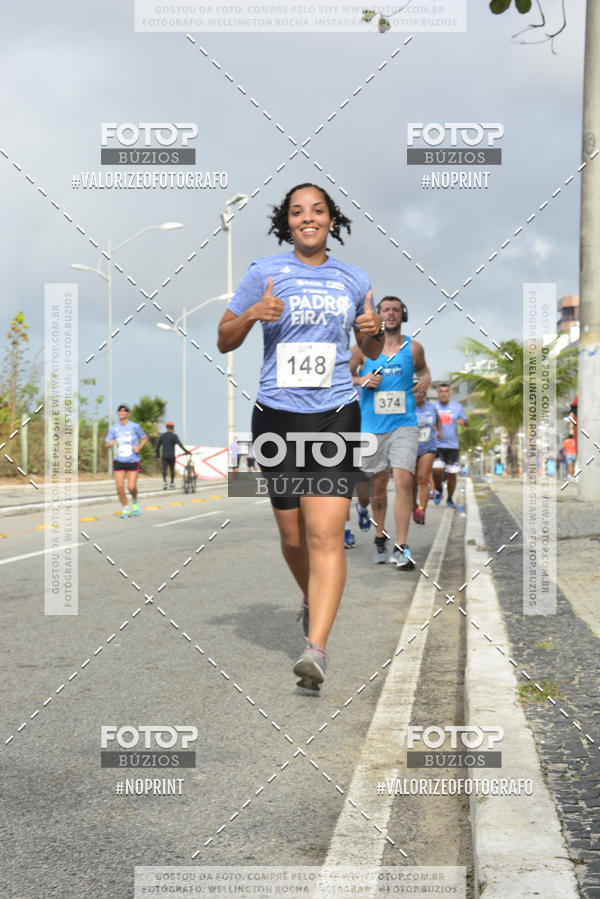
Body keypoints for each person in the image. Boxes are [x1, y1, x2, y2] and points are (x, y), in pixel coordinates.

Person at [217, 182, 383, 691]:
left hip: (336, 414)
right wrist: (251, 315)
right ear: (286, 222)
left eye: (317, 210)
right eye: (297, 212)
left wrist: (372, 331)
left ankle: (316, 648)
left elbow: (371, 351)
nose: (307, 218)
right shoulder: (264, 273)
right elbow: (224, 339)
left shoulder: (355, 278)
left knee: (325, 535)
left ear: (332, 219)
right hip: (275, 416)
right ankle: (310, 596)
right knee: (292, 539)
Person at [349, 296, 431, 569]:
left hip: (404, 424)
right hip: (372, 427)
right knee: (378, 488)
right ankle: (379, 536)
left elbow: (424, 370)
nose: (392, 314)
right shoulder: (362, 349)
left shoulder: (414, 348)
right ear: (379, 316)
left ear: (402, 314)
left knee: (405, 480)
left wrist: (425, 382)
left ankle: (402, 546)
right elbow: (340, 376)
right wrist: (362, 379)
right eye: (386, 310)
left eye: (396, 310)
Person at [105, 404, 148, 518]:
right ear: (118, 413)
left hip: (133, 460)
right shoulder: (114, 428)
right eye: (120, 410)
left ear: (128, 413)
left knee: (131, 487)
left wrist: (139, 447)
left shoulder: (135, 426)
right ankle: (125, 508)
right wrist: (109, 444)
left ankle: (134, 501)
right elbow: (108, 441)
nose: (122, 412)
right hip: (119, 460)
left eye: (124, 411)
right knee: (119, 487)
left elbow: (144, 437)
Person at [432, 383, 468, 509]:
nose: (443, 393)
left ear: (449, 393)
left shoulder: (457, 407)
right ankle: (438, 488)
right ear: (438, 393)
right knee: (436, 470)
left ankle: (450, 497)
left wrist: (463, 422)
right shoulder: (432, 406)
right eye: (441, 391)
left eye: (446, 391)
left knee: (452, 474)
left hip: (452, 446)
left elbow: (466, 420)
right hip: (436, 444)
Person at [413, 387, 442, 525]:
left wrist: (440, 432)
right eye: (414, 392)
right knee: (411, 483)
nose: (417, 394)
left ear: (424, 394)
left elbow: (439, 420)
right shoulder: (406, 407)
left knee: (423, 479)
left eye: (419, 392)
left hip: (428, 446)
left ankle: (422, 510)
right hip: (410, 448)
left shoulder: (431, 407)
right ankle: (414, 507)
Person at [156, 422, 189, 489]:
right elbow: (180, 445)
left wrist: (158, 456)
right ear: (173, 428)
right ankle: (172, 483)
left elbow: (158, 446)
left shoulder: (162, 436)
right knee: (172, 470)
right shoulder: (174, 436)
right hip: (171, 456)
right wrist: (186, 451)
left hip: (164, 455)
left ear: (166, 427)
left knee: (164, 469)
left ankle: (164, 483)